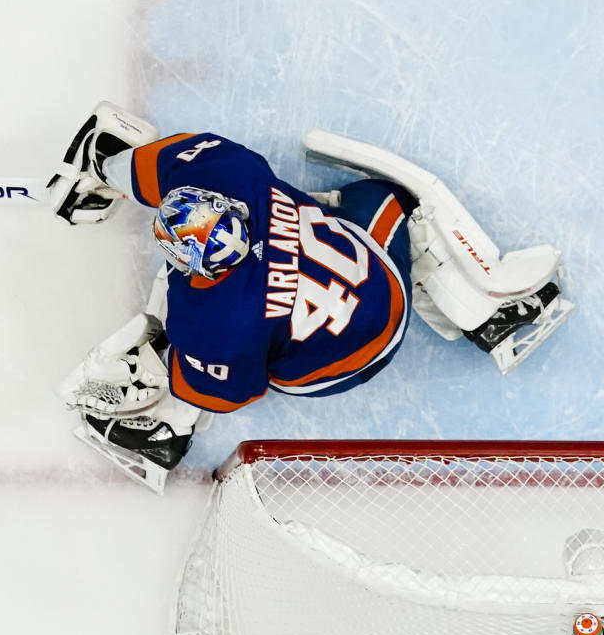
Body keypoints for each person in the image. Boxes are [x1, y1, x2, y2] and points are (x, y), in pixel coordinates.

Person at [49, 107, 570, 490]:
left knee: (178, 359)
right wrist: (116, 165)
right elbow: (163, 164)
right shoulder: (232, 175)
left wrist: (103, 170)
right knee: (388, 201)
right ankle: (487, 312)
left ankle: (162, 430)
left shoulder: (215, 322)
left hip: (340, 363)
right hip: (380, 285)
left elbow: (232, 394)